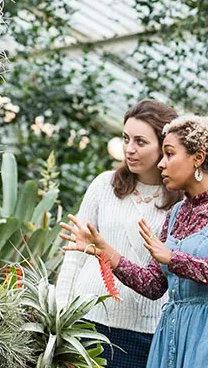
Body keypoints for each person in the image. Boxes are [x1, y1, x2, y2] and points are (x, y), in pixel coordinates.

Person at [60, 115, 208, 368]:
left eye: (170, 154)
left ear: (198, 158)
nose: (161, 164)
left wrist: (174, 259)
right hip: (172, 333)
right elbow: (152, 286)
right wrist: (105, 251)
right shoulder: (177, 212)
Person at [54, 100, 183, 368]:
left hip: (143, 335)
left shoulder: (180, 203)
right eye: (126, 139)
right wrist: (61, 315)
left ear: (164, 147)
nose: (129, 149)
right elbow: (74, 257)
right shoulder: (104, 185)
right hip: (85, 323)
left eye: (140, 142)